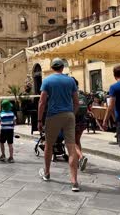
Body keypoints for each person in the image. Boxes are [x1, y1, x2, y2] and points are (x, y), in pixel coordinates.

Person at [37, 58, 80, 192]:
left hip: (53, 115)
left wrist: (39, 120)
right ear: (62, 67)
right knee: (71, 148)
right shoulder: (71, 81)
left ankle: (47, 173)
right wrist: (72, 113)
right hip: (69, 115)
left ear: (52, 67)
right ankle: (74, 181)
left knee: (49, 145)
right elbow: (76, 102)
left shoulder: (47, 81)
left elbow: (42, 102)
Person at [73, 78, 89, 172]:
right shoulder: (82, 95)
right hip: (82, 121)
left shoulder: (71, 94)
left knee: (71, 141)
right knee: (77, 140)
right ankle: (79, 160)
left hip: (74, 121)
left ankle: (81, 157)